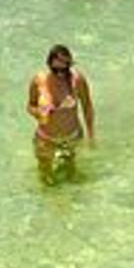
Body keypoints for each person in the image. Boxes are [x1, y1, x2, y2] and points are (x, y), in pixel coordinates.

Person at [27, 44, 95, 181]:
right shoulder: (39, 80)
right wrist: (38, 113)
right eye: (56, 69)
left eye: (64, 69)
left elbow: (87, 107)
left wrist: (91, 136)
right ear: (49, 64)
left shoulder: (77, 80)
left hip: (71, 138)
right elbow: (30, 105)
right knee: (46, 178)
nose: (60, 74)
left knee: (70, 175)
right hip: (45, 139)